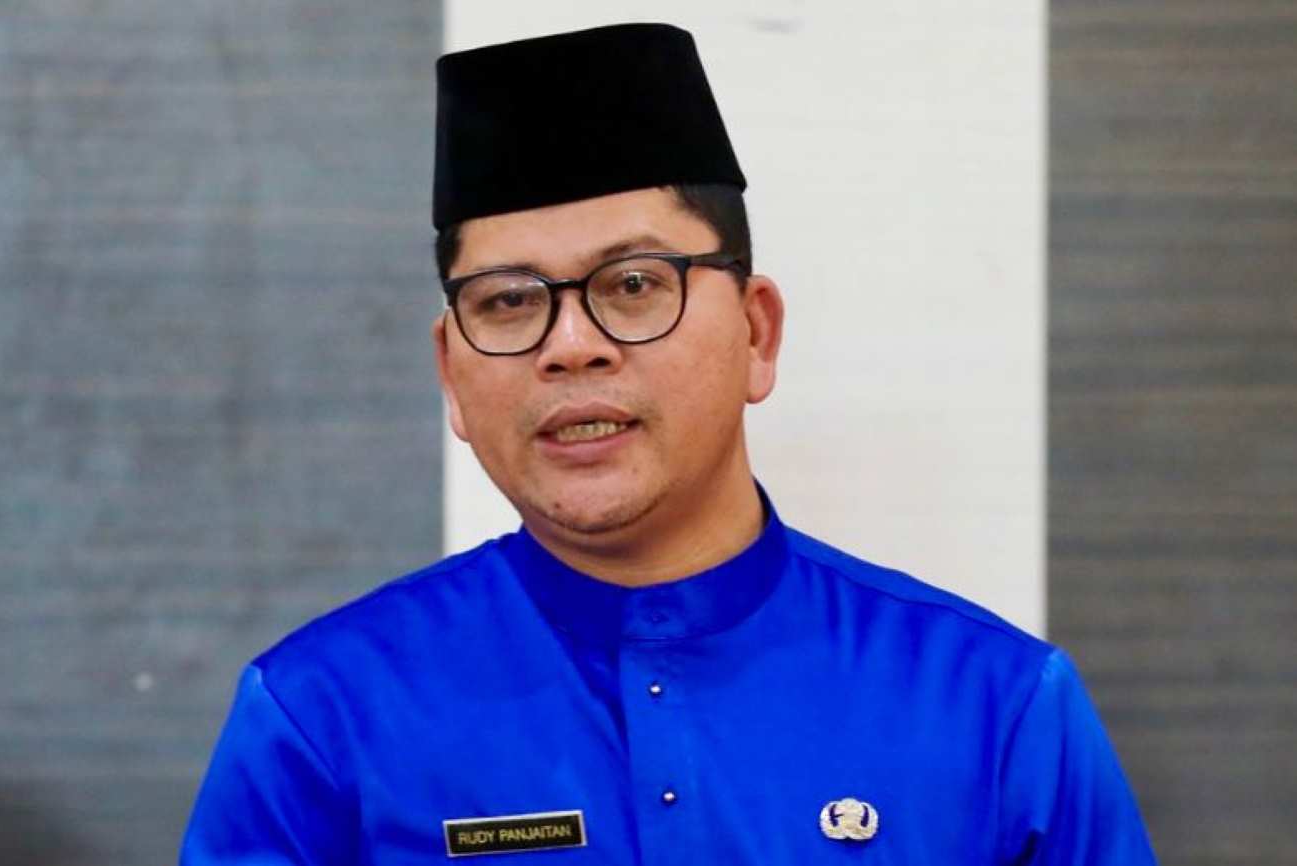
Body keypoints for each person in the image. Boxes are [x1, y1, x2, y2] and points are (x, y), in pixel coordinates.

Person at [181, 23, 1156, 865]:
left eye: (634, 284)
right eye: (509, 302)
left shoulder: (991, 706)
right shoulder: (323, 717)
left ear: (756, 332)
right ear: (451, 372)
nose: (571, 345)